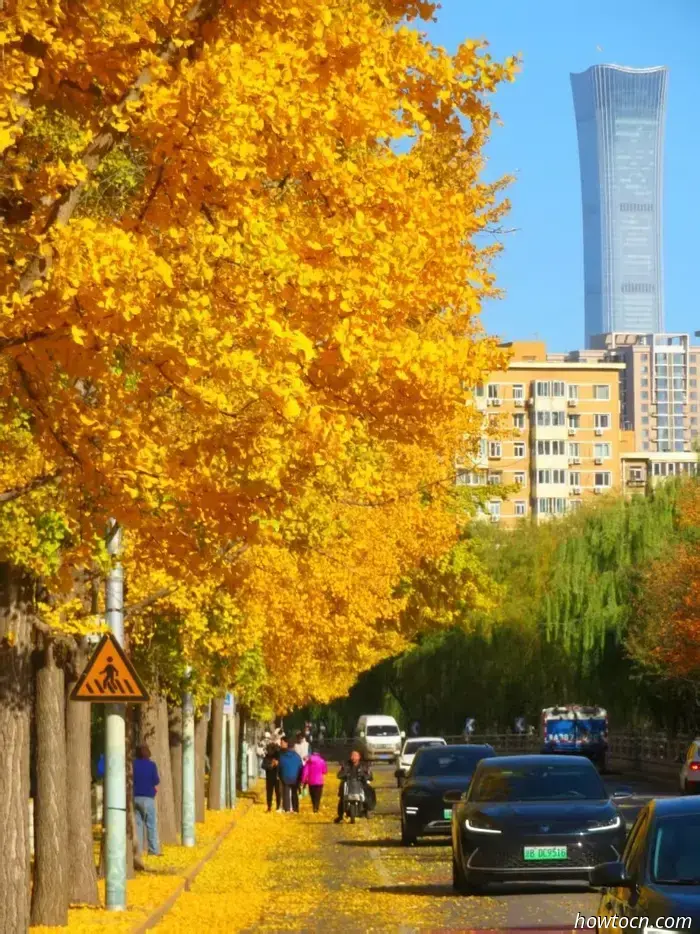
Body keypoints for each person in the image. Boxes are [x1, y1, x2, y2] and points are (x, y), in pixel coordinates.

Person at [133, 744, 161, 856]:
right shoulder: (151, 765)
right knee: (151, 825)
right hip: (148, 798)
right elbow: (156, 781)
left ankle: (138, 850)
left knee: (138, 825)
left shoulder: (133, 764)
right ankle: (153, 850)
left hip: (135, 798)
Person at [334, 749, 374, 823]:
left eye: (355, 755)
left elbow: (370, 776)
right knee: (342, 796)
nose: (353, 757)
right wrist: (343, 774)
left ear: (359, 757)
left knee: (369, 791)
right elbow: (339, 774)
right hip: (348, 784)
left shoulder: (364, 766)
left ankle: (368, 810)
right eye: (352, 755)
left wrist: (365, 776)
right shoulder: (346, 765)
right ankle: (340, 815)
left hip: (361, 784)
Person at [278, 738, 303, 813]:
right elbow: (300, 767)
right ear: (293, 747)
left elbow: (280, 767)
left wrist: (280, 776)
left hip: (285, 777)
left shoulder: (282, 756)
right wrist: (300, 778)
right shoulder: (297, 756)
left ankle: (287, 808)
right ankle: (295, 808)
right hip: (295, 777)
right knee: (294, 793)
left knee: (286, 793)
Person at [301, 747, 328, 813]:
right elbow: (325, 771)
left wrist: (303, 780)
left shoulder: (309, 762)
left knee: (313, 795)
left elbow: (305, 772)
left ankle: (314, 806)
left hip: (311, 781)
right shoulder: (322, 761)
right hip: (319, 782)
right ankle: (316, 807)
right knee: (318, 796)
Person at [262, 742, 281, 813]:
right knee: (269, 793)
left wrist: (277, 764)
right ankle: (269, 807)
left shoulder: (278, 757)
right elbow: (263, 766)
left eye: (269, 750)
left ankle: (278, 806)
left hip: (277, 777)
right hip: (269, 778)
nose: (268, 751)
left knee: (278, 793)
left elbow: (282, 766)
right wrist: (271, 765)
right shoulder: (267, 757)